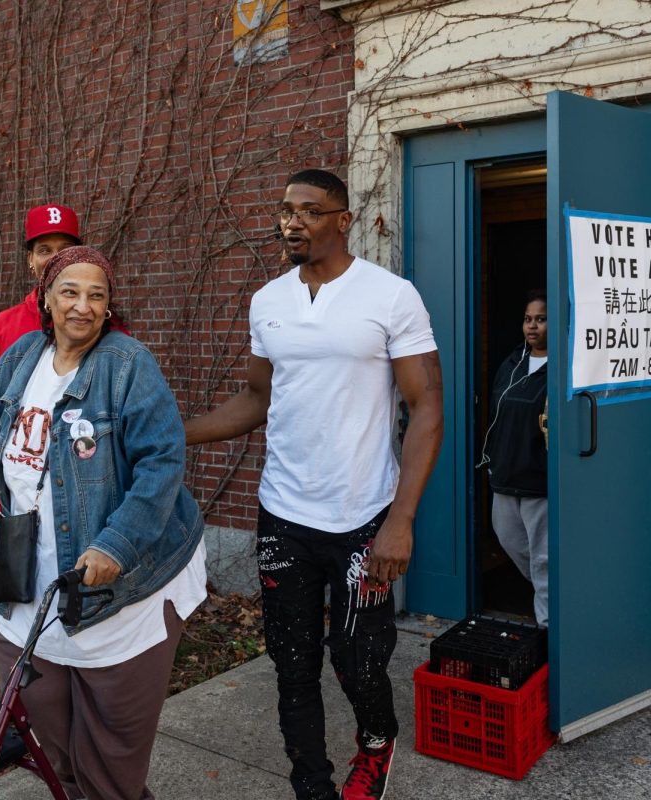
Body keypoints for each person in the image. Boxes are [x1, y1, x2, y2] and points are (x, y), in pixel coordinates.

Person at [0, 245, 205, 800]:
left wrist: (115, 543)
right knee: (53, 739)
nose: (82, 306)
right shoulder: (20, 358)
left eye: (97, 295)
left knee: (111, 760)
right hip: (30, 586)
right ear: (46, 297)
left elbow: (162, 464)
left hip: (120, 591)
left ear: (110, 305)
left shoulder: (127, 365)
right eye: (69, 291)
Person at [184, 170, 444, 800]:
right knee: (292, 664)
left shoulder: (391, 296)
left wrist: (400, 520)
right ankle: (312, 783)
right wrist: (175, 434)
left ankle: (377, 745)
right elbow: (255, 399)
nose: (291, 222)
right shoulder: (268, 301)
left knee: (357, 663)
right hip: (283, 516)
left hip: (362, 519)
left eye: (308, 210)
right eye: (284, 211)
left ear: (342, 219)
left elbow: (427, 407)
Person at [0, 204, 82, 589]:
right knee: (5, 567)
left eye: (64, 248)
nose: (55, 258)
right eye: (44, 249)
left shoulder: (102, 322)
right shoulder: (6, 325)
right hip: (17, 472)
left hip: (76, 476)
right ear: (30, 260)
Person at [481, 290, 549, 626]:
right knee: (512, 542)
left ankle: (550, 630)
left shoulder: (562, 369)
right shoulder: (513, 363)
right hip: (505, 476)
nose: (532, 326)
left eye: (541, 319)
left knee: (544, 558)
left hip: (539, 482)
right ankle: (554, 596)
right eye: (528, 319)